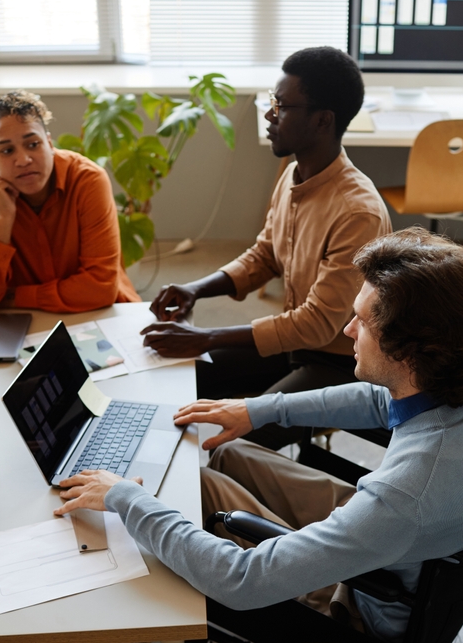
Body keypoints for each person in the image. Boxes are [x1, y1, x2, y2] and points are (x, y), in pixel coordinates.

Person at [54, 228, 463, 643]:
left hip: (362, 599)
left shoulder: (405, 497)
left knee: (188, 490)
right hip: (412, 549)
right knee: (225, 452)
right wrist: (258, 410)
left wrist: (126, 499)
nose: (347, 329)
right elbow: (380, 400)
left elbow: (243, 580)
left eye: (362, 322)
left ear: (408, 351)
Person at [142, 46, 392, 448]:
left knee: (237, 447)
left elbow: (317, 324)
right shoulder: (295, 173)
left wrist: (208, 337)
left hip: (343, 364)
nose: (269, 114)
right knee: (183, 375)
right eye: (271, 102)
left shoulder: (356, 211)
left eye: (282, 105)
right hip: (295, 344)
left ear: (322, 121)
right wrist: (196, 289)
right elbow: (265, 255)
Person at [0, 91, 139, 314]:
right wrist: (3, 219)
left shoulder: (87, 180)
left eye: (33, 144)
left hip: (98, 313)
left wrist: (13, 296)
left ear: (49, 143)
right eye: (7, 150)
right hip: (19, 323)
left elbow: (100, 288)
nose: (23, 160)